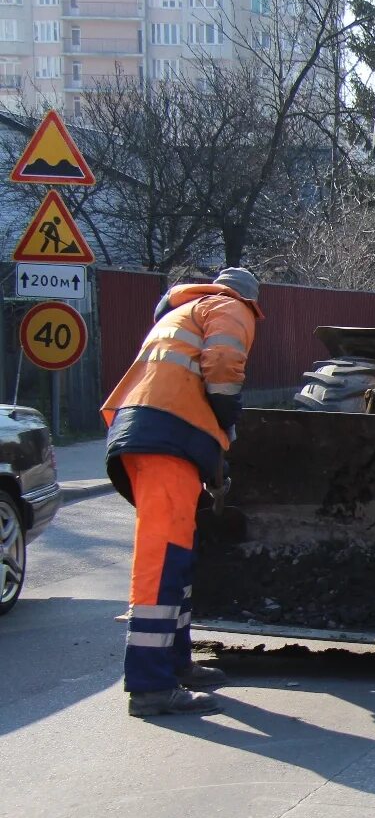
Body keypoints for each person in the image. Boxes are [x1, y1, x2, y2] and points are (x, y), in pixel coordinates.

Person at [102, 268, 261, 717]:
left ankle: (176, 664)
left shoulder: (183, 312)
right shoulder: (229, 306)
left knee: (179, 555)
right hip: (165, 441)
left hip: (152, 435)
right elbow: (224, 363)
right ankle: (151, 687)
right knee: (163, 559)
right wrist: (228, 410)